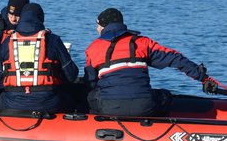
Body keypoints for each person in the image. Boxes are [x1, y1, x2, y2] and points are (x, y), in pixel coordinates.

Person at [83, 7, 215, 117]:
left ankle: (93, 128)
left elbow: (91, 83)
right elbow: (174, 58)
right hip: (144, 106)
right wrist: (202, 77)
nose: (97, 29)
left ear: (104, 27)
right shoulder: (142, 43)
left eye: (98, 26)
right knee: (165, 96)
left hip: (109, 107)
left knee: (91, 97)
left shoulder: (93, 48)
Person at [0, 2, 79, 113]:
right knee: (72, 97)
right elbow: (72, 75)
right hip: (48, 103)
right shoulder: (53, 40)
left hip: (13, 103)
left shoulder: (7, 42)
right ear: (41, 20)